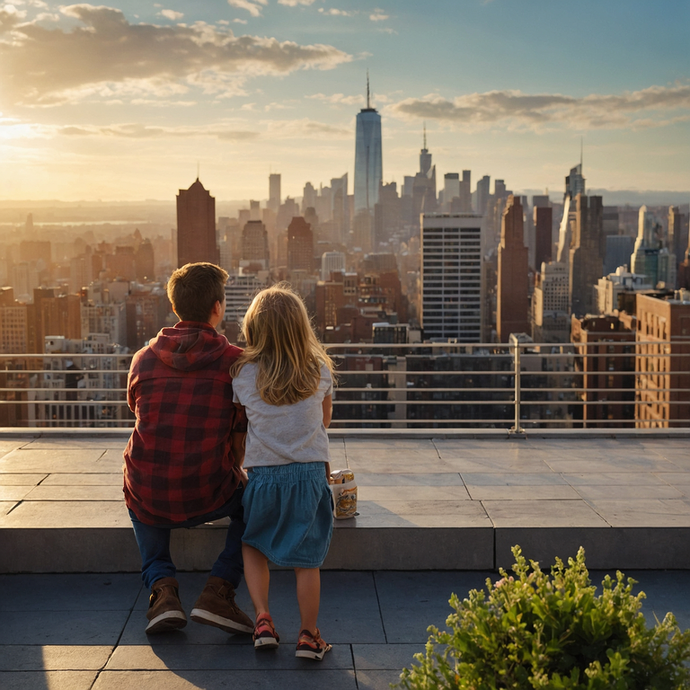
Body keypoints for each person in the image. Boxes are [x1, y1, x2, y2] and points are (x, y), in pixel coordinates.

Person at [123, 262, 253, 636]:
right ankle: (219, 588)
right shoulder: (235, 362)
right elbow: (239, 434)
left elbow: (137, 411)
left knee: (138, 484)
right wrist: (236, 470)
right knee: (256, 499)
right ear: (217, 306)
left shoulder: (143, 359)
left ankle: (162, 590)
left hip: (150, 494)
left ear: (175, 306)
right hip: (210, 492)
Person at [230, 284, 335, 661]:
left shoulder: (242, 375)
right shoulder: (318, 370)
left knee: (253, 544)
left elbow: (242, 424)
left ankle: (262, 619)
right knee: (307, 560)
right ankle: (309, 636)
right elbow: (324, 421)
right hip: (309, 477)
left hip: (263, 478)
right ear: (301, 327)